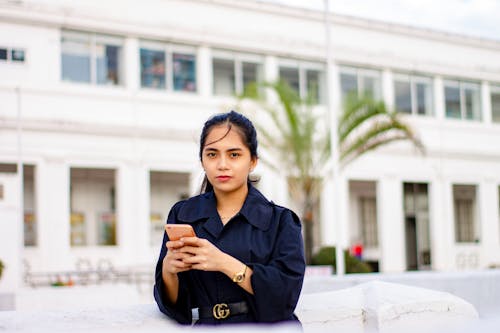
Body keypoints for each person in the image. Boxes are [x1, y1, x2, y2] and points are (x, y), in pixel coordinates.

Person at [153, 110, 306, 325]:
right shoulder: (183, 214)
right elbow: (174, 305)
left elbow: (285, 297)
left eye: (234, 154)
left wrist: (223, 262)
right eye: (212, 154)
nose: (222, 164)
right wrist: (169, 272)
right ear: (202, 160)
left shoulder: (281, 221)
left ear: (252, 161)